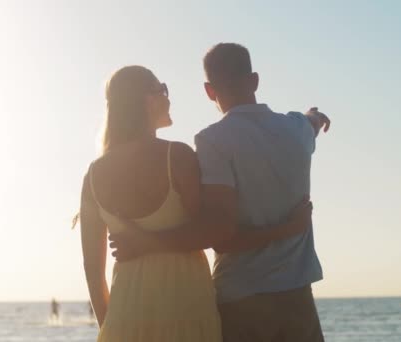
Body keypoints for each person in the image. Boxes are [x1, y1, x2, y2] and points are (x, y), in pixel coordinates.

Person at [110, 43, 330, 342]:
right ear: (254, 80)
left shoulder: (213, 140)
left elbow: (221, 236)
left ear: (209, 91)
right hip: (298, 299)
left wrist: (145, 243)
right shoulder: (297, 129)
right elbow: (312, 121)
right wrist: (314, 115)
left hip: (241, 302)